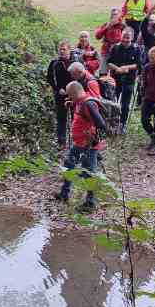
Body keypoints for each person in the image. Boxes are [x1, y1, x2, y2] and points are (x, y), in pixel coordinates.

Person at [54, 81, 107, 213]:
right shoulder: (80, 101)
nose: (68, 98)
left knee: (88, 173)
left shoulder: (88, 104)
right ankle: (64, 194)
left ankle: (90, 203)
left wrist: (91, 138)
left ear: (74, 93)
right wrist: (71, 104)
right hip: (79, 144)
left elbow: (101, 124)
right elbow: (81, 112)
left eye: (69, 96)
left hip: (88, 146)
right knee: (68, 166)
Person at [106, 27, 144, 132]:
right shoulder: (115, 48)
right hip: (115, 79)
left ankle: (122, 124)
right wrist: (117, 68)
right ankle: (113, 123)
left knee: (125, 104)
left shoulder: (137, 49)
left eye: (128, 38)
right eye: (124, 37)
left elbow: (139, 64)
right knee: (113, 102)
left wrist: (127, 68)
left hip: (129, 79)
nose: (125, 40)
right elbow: (108, 62)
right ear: (121, 37)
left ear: (132, 38)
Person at [47, 41, 79, 148]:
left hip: (74, 95)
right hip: (60, 95)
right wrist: (57, 89)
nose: (61, 51)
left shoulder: (76, 61)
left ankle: (76, 142)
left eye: (64, 49)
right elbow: (50, 78)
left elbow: (81, 76)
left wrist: (76, 90)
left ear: (69, 50)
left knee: (76, 118)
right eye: (60, 49)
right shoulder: (54, 63)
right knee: (61, 119)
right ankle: (61, 143)